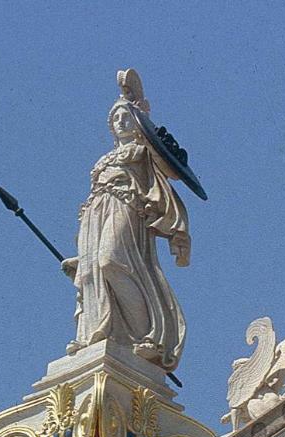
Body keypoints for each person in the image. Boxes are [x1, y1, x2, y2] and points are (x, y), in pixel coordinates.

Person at [61, 75, 190, 371]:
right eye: (115, 117)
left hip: (126, 207)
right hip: (96, 211)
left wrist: (142, 113)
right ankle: (95, 333)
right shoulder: (106, 157)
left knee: (111, 261)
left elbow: (170, 168)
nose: (120, 121)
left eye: (125, 116)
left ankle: (149, 338)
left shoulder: (143, 151)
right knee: (92, 271)